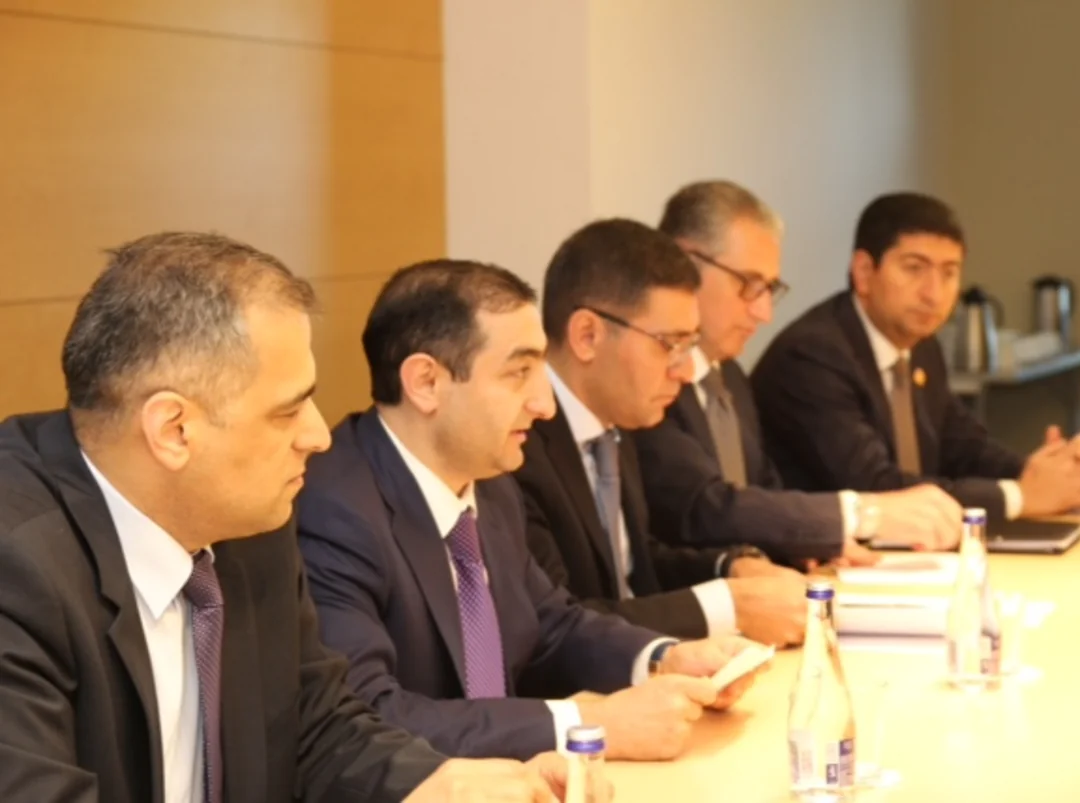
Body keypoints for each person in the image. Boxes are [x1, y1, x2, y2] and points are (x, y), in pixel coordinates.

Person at [0, 232, 567, 803]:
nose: (318, 436)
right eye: (287, 411)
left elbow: (316, 727)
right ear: (174, 430)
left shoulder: (250, 524)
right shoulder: (17, 568)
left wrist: (435, 786)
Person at [296, 259, 759, 764]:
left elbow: (549, 623)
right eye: (519, 373)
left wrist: (663, 658)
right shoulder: (334, 511)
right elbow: (370, 716)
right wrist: (590, 726)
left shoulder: (492, 484)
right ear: (426, 382)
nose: (545, 404)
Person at [633, 180, 964, 568]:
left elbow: (765, 493)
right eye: (748, 285)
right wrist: (861, 514)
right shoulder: (649, 380)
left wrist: (811, 543)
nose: (763, 313)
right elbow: (702, 508)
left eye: (769, 289)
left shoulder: (731, 377)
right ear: (685, 265)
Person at [513, 218, 809, 647]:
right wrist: (729, 606)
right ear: (587, 336)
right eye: (670, 344)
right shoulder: (517, 445)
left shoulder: (617, 423)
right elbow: (556, 622)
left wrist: (731, 567)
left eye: (690, 346)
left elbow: (636, 568)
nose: (684, 371)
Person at [751, 192, 1080, 522]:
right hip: (819, 559)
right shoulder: (812, 356)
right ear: (864, 272)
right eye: (914, 268)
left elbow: (963, 446)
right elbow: (877, 487)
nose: (934, 294)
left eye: (949, 273)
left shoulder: (922, 345)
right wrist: (1020, 496)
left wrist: (1045, 473)